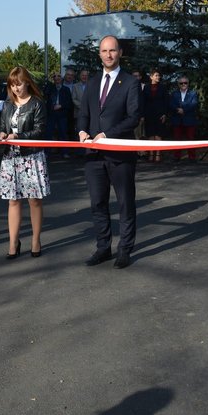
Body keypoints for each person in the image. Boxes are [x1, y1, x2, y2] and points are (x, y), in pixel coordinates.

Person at [78, 35, 140, 269]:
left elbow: (133, 117)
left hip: (120, 154)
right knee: (97, 203)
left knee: (125, 202)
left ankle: (125, 249)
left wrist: (108, 134)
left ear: (120, 52)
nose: (108, 55)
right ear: (99, 54)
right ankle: (103, 247)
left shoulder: (130, 82)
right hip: (93, 155)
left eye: (112, 50)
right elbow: (84, 113)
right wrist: (81, 130)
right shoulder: (93, 82)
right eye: (104, 51)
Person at [0, 66, 49, 259]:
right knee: (13, 200)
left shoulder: (37, 103)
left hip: (31, 157)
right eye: (12, 85)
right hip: (10, 158)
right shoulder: (7, 104)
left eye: (19, 84)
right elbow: (2, 126)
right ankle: (13, 242)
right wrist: (2, 134)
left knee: (34, 200)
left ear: (27, 82)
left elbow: (40, 131)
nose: (16, 88)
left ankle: (36, 240)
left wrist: (18, 136)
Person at [141, 67, 170, 162]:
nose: (158, 77)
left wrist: (165, 113)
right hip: (149, 114)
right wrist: (142, 115)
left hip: (160, 114)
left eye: (159, 75)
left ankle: (157, 155)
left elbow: (166, 101)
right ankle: (151, 154)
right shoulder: (146, 87)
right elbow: (143, 101)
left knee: (158, 135)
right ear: (151, 77)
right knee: (150, 134)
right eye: (156, 75)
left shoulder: (163, 87)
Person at [169, 76, 199, 161]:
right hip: (177, 119)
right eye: (181, 83)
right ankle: (177, 157)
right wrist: (177, 109)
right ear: (178, 84)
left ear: (188, 83)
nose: (183, 84)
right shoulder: (174, 94)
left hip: (189, 119)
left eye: (185, 83)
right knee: (177, 139)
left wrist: (184, 110)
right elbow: (171, 104)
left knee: (190, 139)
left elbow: (194, 104)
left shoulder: (193, 93)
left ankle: (192, 157)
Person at [45, 72, 72, 157]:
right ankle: (47, 152)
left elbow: (69, 103)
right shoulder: (50, 88)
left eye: (59, 76)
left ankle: (65, 152)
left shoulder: (66, 89)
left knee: (63, 133)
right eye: (55, 76)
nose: (57, 78)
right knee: (48, 133)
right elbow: (45, 99)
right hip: (51, 114)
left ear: (62, 78)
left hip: (62, 114)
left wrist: (61, 106)